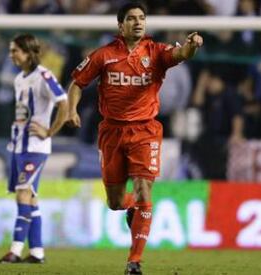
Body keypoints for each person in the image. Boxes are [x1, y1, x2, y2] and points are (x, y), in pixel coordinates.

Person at [66, 2, 203, 274]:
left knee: (144, 191)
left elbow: (180, 54)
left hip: (145, 131)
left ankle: (134, 261)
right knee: (115, 202)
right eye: (132, 18)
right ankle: (133, 208)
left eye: (142, 18)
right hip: (112, 132)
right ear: (121, 25)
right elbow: (77, 83)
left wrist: (192, 45)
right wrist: (71, 109)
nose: (138, 22)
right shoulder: (104, 55)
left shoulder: (156, 52)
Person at [0, 33, 68, 264]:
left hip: (36, 148)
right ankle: (37, 252)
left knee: (23, 194)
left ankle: (15, 251)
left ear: (27, 52)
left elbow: (63, 102)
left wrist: (50, 131)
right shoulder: (19, 79)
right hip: (18, 147)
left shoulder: (44, 76)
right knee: (31, 199)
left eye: (15, 50)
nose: (11, 55)